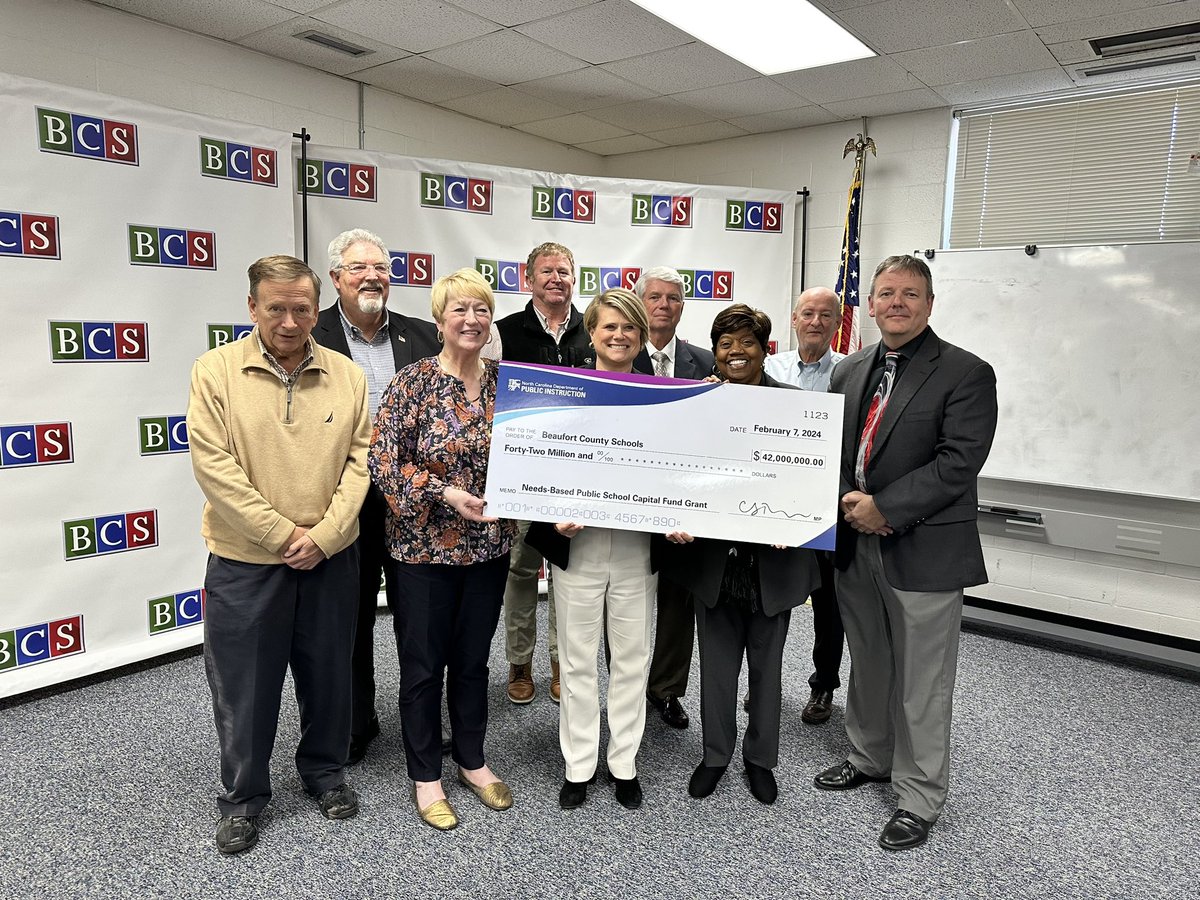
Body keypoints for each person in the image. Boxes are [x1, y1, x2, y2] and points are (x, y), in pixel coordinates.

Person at [187, 255, 370, 855]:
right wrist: (281, 535)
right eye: (276, 309)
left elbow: (360, 463)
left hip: (330, 559)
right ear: (252, 307)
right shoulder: (215, 372)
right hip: (246, 561)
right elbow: (214, 467)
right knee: (245, 689)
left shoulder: (348, 375)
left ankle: (325, 774)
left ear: (317, 309)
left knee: (330, 678)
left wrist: (325, 537)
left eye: (302, 309)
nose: (290, 322)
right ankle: (243, 798)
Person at [814, 255, 997, 851]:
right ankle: (869, 756)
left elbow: (958, 462)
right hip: (854, 541)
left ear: (929, 304)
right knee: (868, 659)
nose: (897, 302)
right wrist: (847, 500)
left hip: (923, 549)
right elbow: (833, 449)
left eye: (910, 294)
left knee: (923, 680)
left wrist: (884, 507)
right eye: (887, 293)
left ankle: (919, 796)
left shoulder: (966, 373)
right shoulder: (850, 369)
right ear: (869, 304)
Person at [368, 268, 517, 831]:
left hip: (489, 548)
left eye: (481, 310)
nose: (472, 320)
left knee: (473, 662)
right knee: (424, 666)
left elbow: (538, 452)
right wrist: (444, 492)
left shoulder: (509, 384)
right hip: (422, 553)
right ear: (439, 320)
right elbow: (384, 461)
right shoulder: (412, 383)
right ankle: (426, 774)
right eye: (460, 310)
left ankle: (471, 760)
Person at [660, 304, 820, 806]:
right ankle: (715, 755)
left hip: (772, 565)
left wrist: (796, 522)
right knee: (717, 668)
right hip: (713, 564)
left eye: (747, 342)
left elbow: (811, 480)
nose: (736, 352)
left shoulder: (796, 407)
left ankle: (760, 759)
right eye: (725, 343)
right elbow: (673, 471)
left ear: (764, 349)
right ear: (714, 351)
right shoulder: (694, 403)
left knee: (767, 672)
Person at [312, 227, 440, 764]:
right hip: (345, 500)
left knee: (421, 621)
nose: (372, 277)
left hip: (415, 504)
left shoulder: (424, 336)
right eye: (358, 268)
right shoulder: (312, 335)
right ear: (336, 278)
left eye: (380, 268)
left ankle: (423, 722)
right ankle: (356, 721)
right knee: (350, 618)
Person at [525, 288, 655, 812]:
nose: (619, 336)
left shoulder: (663, 398)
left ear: (641, 336)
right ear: (591, 333)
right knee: (577, 660)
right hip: (577, 546)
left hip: (638, 548)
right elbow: (535, 465)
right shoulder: (562, 392)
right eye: (609, 326)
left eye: (629, 327)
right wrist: (551, 516)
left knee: (631, 660)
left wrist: (680, 517)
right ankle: (578, 764)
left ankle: (624, 763)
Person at [495, 242, 593, 705]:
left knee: (567, 571)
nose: (556, 278)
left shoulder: (594, 329)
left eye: (564, 271)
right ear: (528, 278)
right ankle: (519, 662)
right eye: (547, 271)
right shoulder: (503, 333)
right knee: (520, 568)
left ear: (575, 278)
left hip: (578, 475)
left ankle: (558, 661)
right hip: (522, 474)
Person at [631, 266, 714, 731]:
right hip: (632, 503)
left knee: (678, 605)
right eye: (655, 297)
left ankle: (665, 690)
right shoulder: (618, 355)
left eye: (674, 298)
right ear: (640, 302)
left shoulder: (706, 361)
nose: (664, 305)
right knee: (626, 605)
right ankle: (628, 685)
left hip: (686, 506)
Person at [763, 286, 847, 726]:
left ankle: (823, 686)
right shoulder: (768, 367)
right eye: (808, 313)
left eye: (826, 315)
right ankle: (764, 685)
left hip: (825, 507)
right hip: (772, 503)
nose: (816, 322)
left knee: (828, 604)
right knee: (771, 599)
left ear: (838, 322)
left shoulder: (851, 372)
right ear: (794, 319)